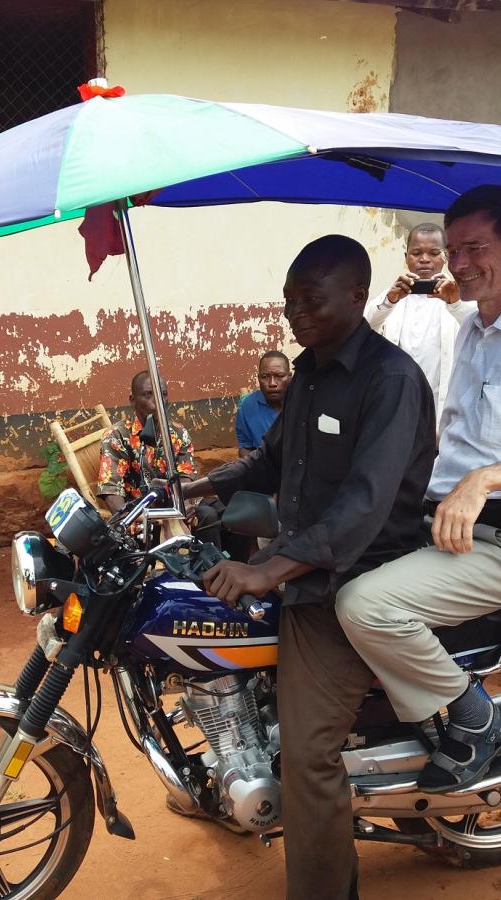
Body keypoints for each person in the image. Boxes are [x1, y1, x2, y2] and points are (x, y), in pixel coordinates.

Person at [182, 234, 436, 899]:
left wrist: (270, 569)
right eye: (289, 300)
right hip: (305, 564)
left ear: (357, 296)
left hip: (357, 581)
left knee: (308, 754)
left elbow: (365, 503)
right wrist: (201, 486)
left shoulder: (391, 381)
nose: (295, 312)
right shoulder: (310, 373)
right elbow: (270, 461)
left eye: (311, 299)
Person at [336, 185, 501, 793]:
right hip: (444, 524)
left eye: (474, 248)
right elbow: (448, 444)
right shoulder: (472, 331)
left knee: (367, 605)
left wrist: (486, 480)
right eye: (452, 250)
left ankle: (475, 719)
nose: (458, 264)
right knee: (322, 564)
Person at [364, 222, 476, 409]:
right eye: (416, 253)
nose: (424, 259)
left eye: (433, 253)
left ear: (445, 256)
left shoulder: (460, 297)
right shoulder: (391, 297)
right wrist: (389, 301)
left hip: (442, 404)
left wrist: (455, 303)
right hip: (397, 401)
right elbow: (364, 328)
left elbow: (479, 329)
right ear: (406, 256)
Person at [98, 370, 200, 514]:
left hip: (175, 508)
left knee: (214, 514)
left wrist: (185, 507)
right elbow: (112, 490)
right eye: (148, 395)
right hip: (140, 515)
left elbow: (186, 477)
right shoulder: (116, 436)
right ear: (132, 400)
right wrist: (130, 520)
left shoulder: (178, 433)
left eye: (162, 394)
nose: (157, 401)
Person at [235, 351, 291, 458]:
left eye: (279, 376)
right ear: (258, 378)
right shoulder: (247, 406)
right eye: (265, 377)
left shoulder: (303, 402)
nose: (272, 383)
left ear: (289, 377)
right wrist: (259, 468)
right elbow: (245, 447)